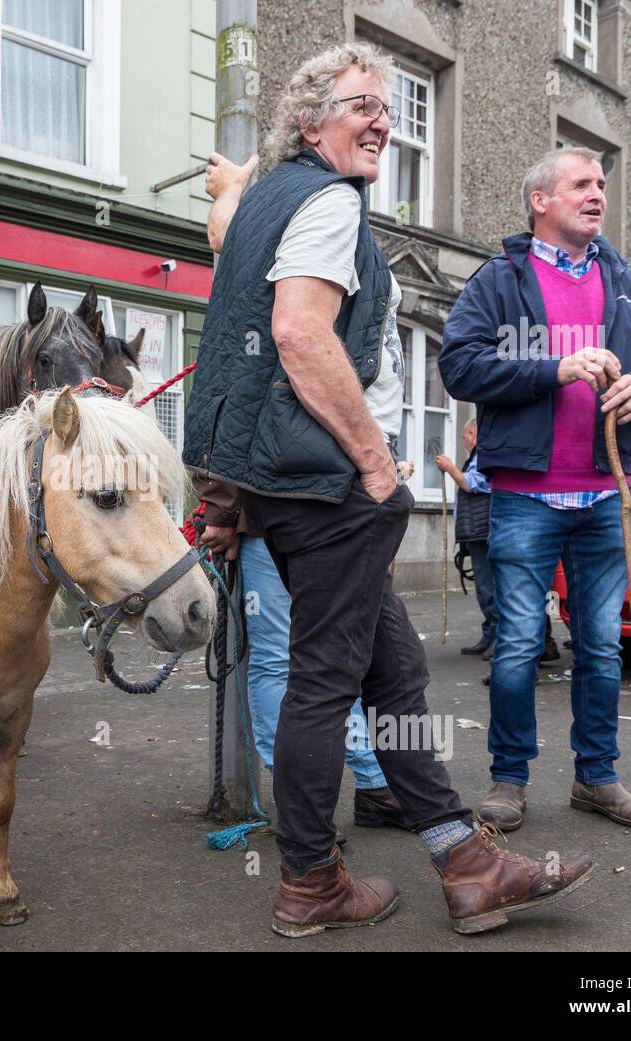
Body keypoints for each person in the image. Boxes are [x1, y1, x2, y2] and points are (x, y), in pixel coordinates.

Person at [183, 43, 594, 937]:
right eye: (361, 105)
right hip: (329, 486)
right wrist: (376, 463)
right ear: (310, 122)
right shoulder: (329, 202)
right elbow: (296, 333)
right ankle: (311, 882)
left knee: (395, 672)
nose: (382, 120)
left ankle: (465, 860)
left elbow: (232, 295)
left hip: (277, 482)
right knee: (324, 683)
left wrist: (225, 497)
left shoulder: (264, 201)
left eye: (386, 105)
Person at [439, 147, 631, 833]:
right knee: (520, 643)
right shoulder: (500, 279)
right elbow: (459, 365)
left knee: (602, 646)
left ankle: (597, 778)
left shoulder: (625, 281)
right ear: (540, 201)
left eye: (602, 185)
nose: (597, 195)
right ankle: (509, 779)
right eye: (581, 184)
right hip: (526, 496)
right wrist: (552, 369)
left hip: (607, 494)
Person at [198, 151, 410, 834]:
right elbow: (274, 324)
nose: (381, 124)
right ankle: (308, 823)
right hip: (308, 477)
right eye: (364, 107)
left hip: (335, 476)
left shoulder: (334, 217)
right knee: (304, 660)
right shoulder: (309, 208)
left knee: (362, 657)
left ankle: (373, 792)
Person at [436, 419, 497, 656]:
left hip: (483, 530)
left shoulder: (482, 456)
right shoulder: (476, 457)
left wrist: (450, 468)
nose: (464, 442)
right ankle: (489, 633)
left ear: (472, 434)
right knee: (484, 587)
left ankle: (497, 636)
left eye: (464, 437)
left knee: (489, 586)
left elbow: (472, 485)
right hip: (476, 531)